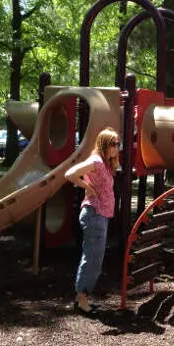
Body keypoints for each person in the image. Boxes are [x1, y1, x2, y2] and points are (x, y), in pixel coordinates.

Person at [65, 127, 120, 316]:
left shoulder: (105, 163)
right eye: (113, 144)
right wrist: (86, 186)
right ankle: (81, 299)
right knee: (93, 258)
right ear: (104, 144)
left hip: (101, 215)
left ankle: (82, 297)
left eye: (118, 144)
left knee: (95, 258)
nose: (116, 148)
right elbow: (70, 173)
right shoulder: (96, 160)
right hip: (94, 214)